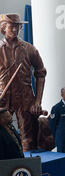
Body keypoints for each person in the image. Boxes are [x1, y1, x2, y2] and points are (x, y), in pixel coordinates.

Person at [0, 13, 47, 152]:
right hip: (3, 99)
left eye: (18, 26)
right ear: (3, 28)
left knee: (29, 139)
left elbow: (41, 73)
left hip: (25, 99)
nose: (15, 29)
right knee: (4, 138)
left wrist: (37, 101)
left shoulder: (29, 49)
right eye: (12, 26)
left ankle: (28, 169)